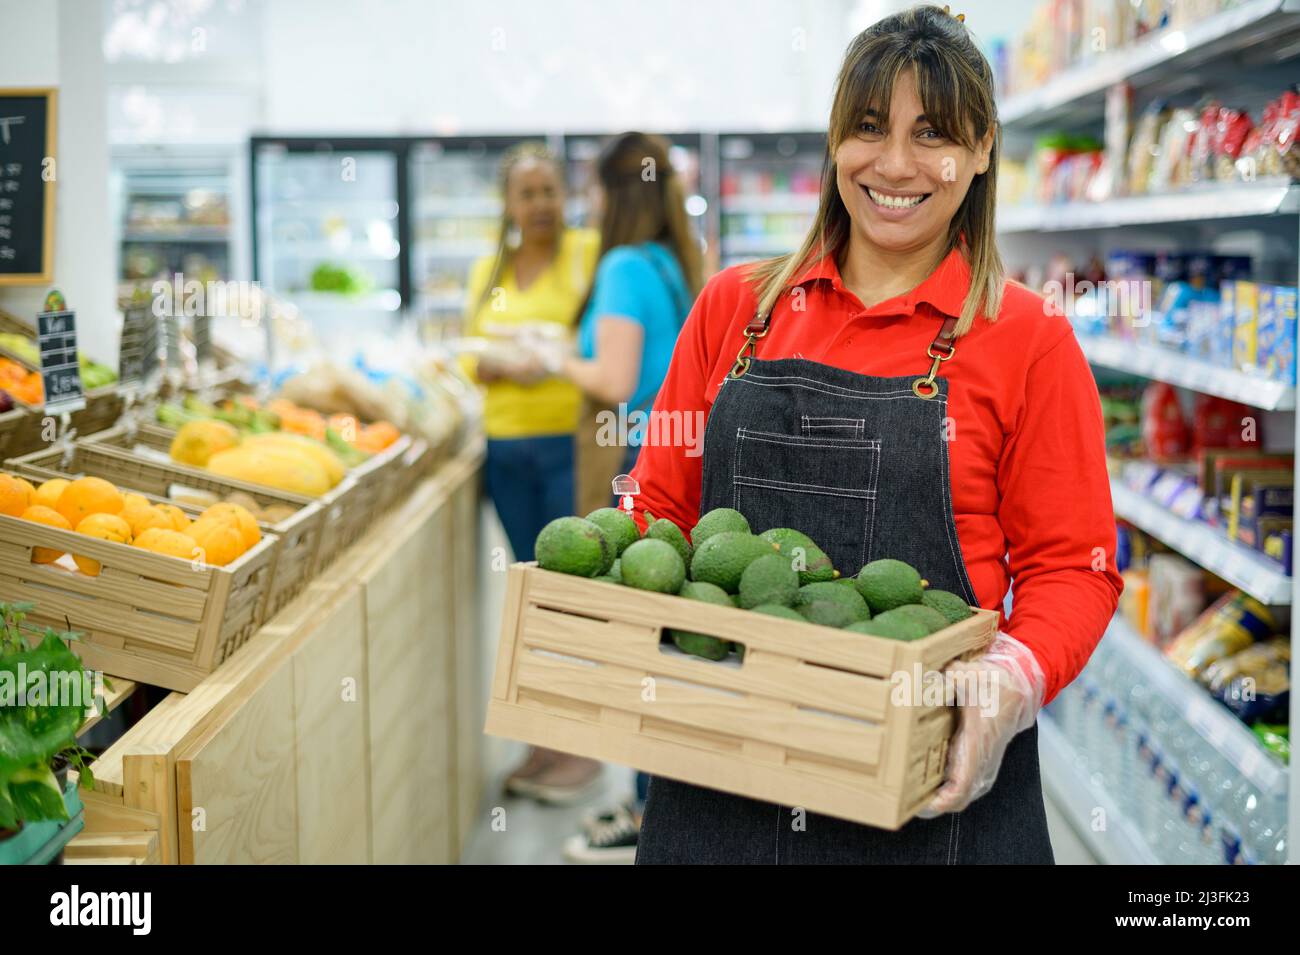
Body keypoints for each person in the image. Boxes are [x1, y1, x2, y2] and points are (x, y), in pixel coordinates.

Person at [626, 4, 1122, 864]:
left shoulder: (1029, 341)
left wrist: (1009, 680)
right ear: (833, 139)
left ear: (981, 149)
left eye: (933, 134)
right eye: (867, 128)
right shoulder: (734, 311)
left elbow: (1074, 567)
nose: (895, 165)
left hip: (933, 792)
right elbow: (656, 507)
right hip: (721, 774)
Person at [534, 132, 701, 862]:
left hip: (640, 459)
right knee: (664, 632)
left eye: (594, 190)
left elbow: (615, 380)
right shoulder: (675, 261)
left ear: (614, 194)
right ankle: (660, 801)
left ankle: (642, 809)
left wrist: (552, 356)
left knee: (634, 631)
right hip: (682, 454)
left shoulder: (625, 265)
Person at [462, 143, 604, 804]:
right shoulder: (487, 269)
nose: (541, 204)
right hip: (506, 450)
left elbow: (602, 339)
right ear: (509, 203)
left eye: (550, 190)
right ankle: (545, 741)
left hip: (566, 444)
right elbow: (470, 354)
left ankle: (580, 749)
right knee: (528, 594)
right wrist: (501, 364)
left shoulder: (589, 254)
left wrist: (548, 357)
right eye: (528, 193)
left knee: (568, 595)